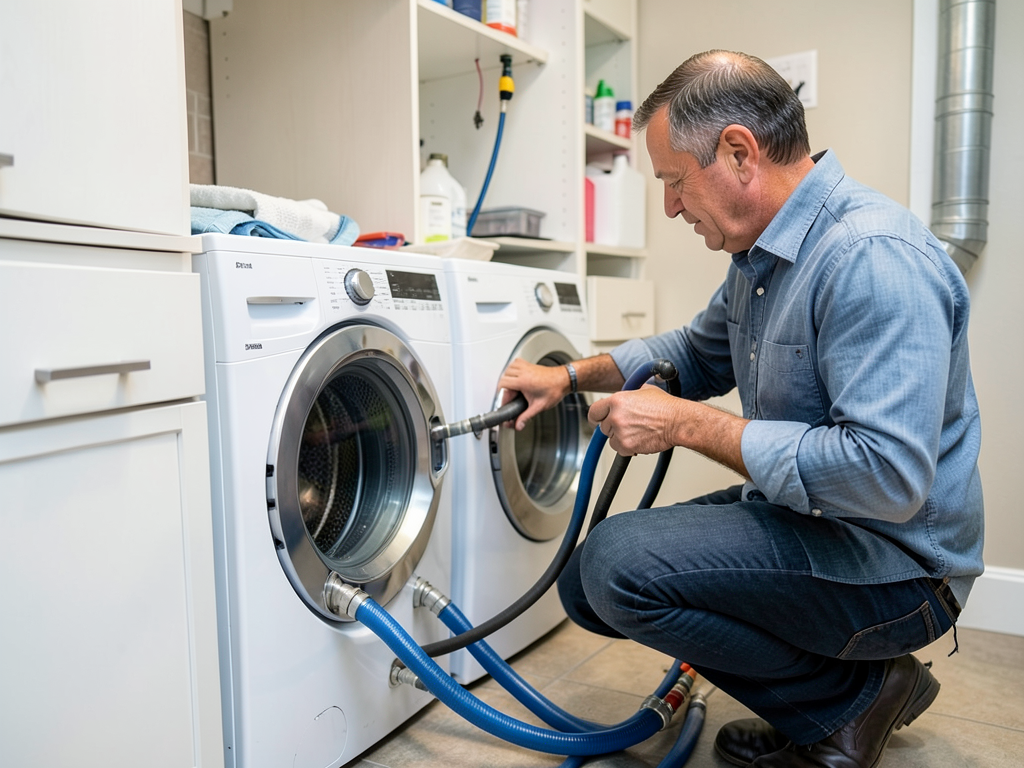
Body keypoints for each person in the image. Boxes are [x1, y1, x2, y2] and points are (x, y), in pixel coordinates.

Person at [497, 50, 983, 768]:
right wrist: (568, 377)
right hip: (824, 522)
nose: (669, 207)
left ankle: (848, 705)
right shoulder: (762, 260)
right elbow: (688, 354)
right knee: (586, 584)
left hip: (903, 567)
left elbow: (886, 477)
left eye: (672, 181)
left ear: (737, 152)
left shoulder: (870, 256)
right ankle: (849, 690)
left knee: (619, 566)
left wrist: (684, 423)